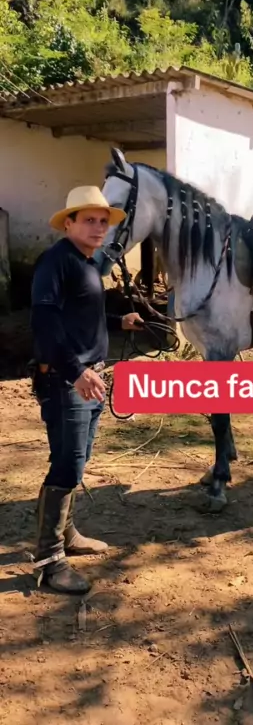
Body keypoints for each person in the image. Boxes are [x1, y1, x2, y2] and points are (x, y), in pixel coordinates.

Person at [30, 185, 144, 595]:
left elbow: (82, 316)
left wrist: (118, 322)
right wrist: (75, 370)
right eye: (89, 220)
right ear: (69, 223)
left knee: (77, 459)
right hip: (67, 381)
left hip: (88, 377)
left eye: (103, 221)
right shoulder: (56, 262)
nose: (98, 227)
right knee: (68, 464)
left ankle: (67, 534)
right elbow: (45, 322)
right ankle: (49, 562)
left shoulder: (87, 262)